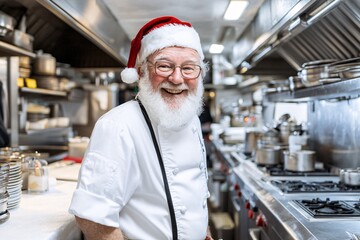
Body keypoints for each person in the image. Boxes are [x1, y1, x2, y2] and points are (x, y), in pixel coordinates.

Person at [69, 16, 213, 240]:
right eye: (164, 66)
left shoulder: (191, 118)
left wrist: (203, 231)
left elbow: (194, 196)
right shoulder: (117, 126)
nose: (176, 78)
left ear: (200, 74)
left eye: (188, 68)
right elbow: (93, 218)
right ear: (142, 71)